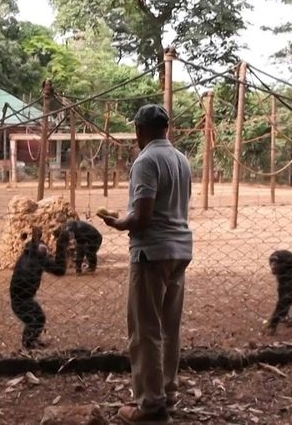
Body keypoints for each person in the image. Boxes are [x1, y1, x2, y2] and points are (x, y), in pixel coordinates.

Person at [99, 104, 193, 424]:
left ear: (139, 129)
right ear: (166, 127)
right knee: (169, 328)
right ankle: (167, 391)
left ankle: (151, 405)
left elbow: (142, 218)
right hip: (180, 250)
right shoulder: (181, 159)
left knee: (145, 330)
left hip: (151, 253)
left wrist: (117, 223)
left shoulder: (146, 161)